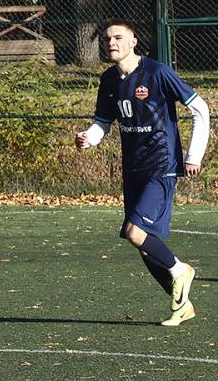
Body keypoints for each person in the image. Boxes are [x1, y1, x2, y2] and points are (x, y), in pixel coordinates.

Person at [76, 19, 210, 326]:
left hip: (161, 166)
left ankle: (180, 270)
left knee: (134, 232)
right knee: (145, 246)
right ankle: (182, 305)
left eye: (118, 37)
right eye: (107, 39)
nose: (111, 43)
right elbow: (103, 122)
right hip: (133, 169)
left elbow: (200, 109)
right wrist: (88, 137)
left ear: (133, 41)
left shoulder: (157, 72)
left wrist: (193, 155)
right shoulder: (109, 79)